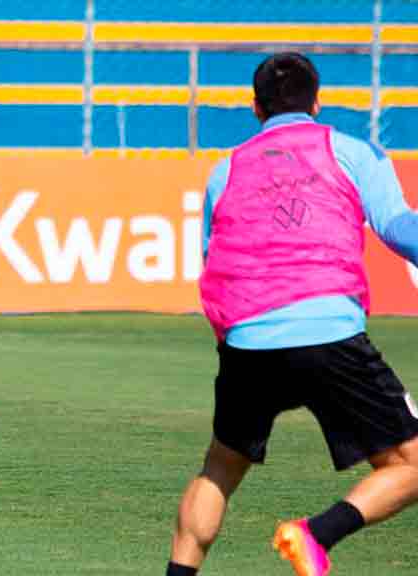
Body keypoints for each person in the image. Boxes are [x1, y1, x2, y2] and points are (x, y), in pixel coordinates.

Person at [165, 52, 418, 576]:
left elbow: (214, 264)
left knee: (220, 467)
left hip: (247, 341)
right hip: (329, 333)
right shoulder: (351, 151)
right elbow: (397, 227)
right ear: (317, 103)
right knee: (412, 466)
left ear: (255, 108)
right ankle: (315, 533)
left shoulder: (225, 169)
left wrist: (234, 343)